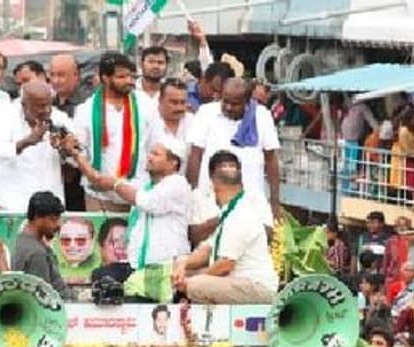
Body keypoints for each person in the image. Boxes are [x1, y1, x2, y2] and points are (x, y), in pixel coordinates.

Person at [172, 150, 278, 304]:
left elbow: (225, 265)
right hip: (236, 282)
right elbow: (207, 250)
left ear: (214, 186)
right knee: (182, 270)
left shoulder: (240, 214)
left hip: (255, 286)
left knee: (195, 284)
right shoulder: (228, 211)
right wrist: (182, 264)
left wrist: (192, 281)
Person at [73, 136, 191, 270]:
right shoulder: (145, 186)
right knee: (103, 276)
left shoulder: (177, 183)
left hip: (167, 264)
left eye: (156, 154)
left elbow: (149, 203)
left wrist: (115, 184)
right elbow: (98, 180)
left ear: (173, 163)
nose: (149, 157)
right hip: (139, 264)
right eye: (150, 153)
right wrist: (76, 155)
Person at [186, 78, 281, 226]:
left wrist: (275, 201)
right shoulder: (206, 113)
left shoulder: (262, 116)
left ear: (248, 101)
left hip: (249, 200)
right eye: (225, 101)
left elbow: (271, 159)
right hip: (210, 198)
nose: (229, 107)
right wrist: (192, 193)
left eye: (235, 104)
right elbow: (195, 155)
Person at [72, 52, 156, 212]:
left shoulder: (145, 104)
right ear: (105, 78)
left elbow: (154, 144)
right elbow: (78, 151)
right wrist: (91, 174)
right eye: (122, 77)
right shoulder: (86, 110)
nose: (129, 81)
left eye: (132, 77)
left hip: (137, 192)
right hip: (99, 195)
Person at [0, 80, 72, 215]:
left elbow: (77, 158)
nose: (47, 110)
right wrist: (26, 142)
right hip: (14, 205)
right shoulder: (3, 117)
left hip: (50, 206)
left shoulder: (59, 119)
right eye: (40, 106)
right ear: (24, 104)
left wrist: (66, 150)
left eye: (49, 104)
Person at [10, 191, 67, 293]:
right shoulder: (37, 253)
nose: (59, 225)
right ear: (37, 217)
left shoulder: (21, 241)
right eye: (53, 219)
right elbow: (44, 297)